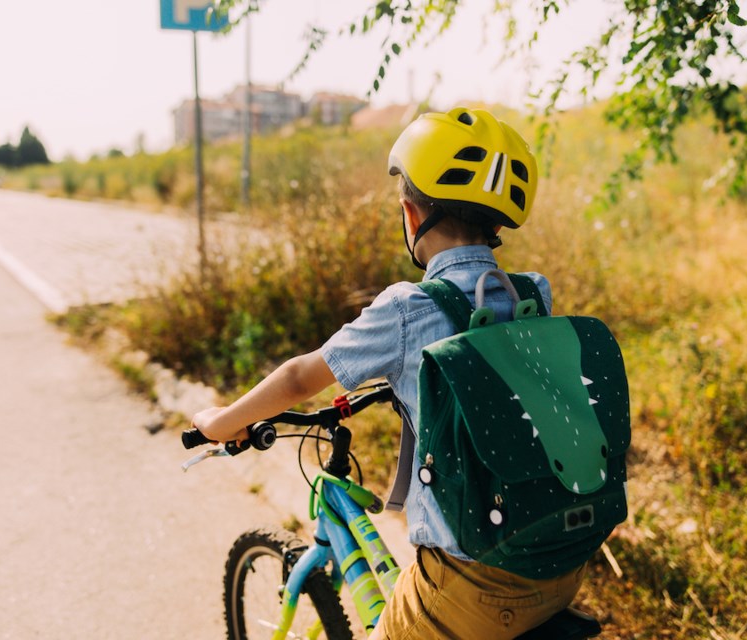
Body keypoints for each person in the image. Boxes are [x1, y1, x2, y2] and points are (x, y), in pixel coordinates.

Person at [192, 107, 586, 638]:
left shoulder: (408, 308)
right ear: (497, 224)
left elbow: (299, 380)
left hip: (471, 583)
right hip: (560, 557)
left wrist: (222, 419)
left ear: (410, 214)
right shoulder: (534, 292)